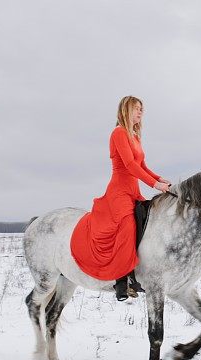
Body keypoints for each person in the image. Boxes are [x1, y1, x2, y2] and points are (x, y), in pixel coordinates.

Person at [70, 96, 170, 300]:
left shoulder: (135, 136)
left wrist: (159, 178)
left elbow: (141, 166)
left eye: (142, 109)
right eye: (136, 108)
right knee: (127, 226)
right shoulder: (118, 133)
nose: (141, 112)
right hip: (119, 191)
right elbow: (130, 166)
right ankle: (122, 280)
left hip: (133, 190)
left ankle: (142, 268)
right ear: (126, 110)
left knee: (147, 221)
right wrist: (154, 185)